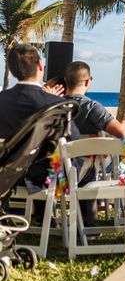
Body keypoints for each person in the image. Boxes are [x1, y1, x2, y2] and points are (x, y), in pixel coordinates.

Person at [0, 44, 83, 223]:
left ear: (13, 71)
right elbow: (73, 143)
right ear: (40, 67)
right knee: (83, 166)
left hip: (5, 177)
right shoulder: (55, 105)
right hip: (45, 177)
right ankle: (86, 220)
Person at [64, 61, 125, 138]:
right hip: (90, 150)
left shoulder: (55, 105)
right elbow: (122, 132)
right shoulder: (91, 107)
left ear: (65, 80)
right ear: (87, 81)